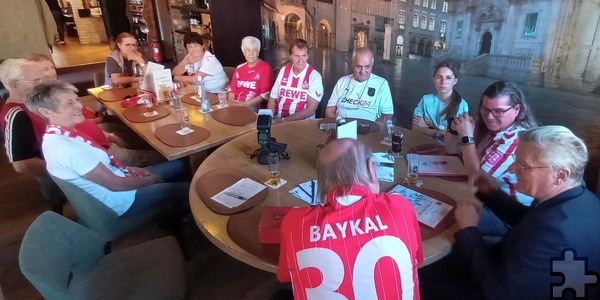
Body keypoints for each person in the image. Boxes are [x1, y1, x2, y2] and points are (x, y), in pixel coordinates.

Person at [454, 126, 600, 299]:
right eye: (516, 160)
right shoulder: (581, 198)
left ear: (559, 175)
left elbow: (499, 292)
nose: (512, 169)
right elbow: (530, 221)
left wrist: (469, 231)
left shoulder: (556, 233)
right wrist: (491, 194)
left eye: (524, 165)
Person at [277, 139, 423, 299]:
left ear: (323, 183)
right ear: (370, 168)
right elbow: (417, 260)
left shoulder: (295, 223)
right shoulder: (400, 207)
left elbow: (284, 276)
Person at [26, 81, 190, 218]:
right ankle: (180, 217)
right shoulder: (65, 148)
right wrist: (153, 179)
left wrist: (134, 170)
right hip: (124, 201)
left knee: (183, 164)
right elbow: (116, 185)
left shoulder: (62, 134)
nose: (79, 106)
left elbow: (109, 167)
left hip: (123, 178)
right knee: (192, 187)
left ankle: (177, 211)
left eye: (76, 100)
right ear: (46, 112)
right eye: (70, 103)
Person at [445, 81, 537, 236]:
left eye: (498, 111)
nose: (489, 116)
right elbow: (451, 149)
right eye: (485, 109)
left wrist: (467, 136)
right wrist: (454, 130)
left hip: (506, 214)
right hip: (483, 198)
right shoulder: (488, 126)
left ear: (516, 110)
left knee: (445, 216)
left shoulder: (514, 139)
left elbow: (476, 178)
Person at [0, 58, 65, 213]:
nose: (43, 84)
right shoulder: (17, 115)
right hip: (61, 170)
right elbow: (21, 164)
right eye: (36, 81)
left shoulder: (31, 104)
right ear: (14, 85)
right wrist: (64, 171)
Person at [325, 47, 393, 123]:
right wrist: (338, 125)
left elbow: (387, 116)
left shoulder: (381, 84)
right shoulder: (342, 81)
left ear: (372, 65)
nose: (363, 71)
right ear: (353, 64)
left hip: (369, 130)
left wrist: (373, 129)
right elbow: (329, 110)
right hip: (341, 128)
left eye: (367, 67)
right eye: (359, 66)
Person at [268, 39, 324, 124]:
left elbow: (311, 110)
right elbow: (272, 98)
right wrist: (270, 119)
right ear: (290, 56)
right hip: (278, 118)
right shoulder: (284, 70)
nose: (300, 60)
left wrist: (282, 121)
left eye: (304, 56)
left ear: (308, 56)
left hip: (301, 122)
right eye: (297, 56)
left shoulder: (314, 76)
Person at [412, 60, 468, 139]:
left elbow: (458, 137)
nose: (443, 82)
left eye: (448, 78)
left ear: (455, 81)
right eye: (439, 77)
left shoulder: (461, 105)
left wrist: (430, 125)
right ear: (434, 79)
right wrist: (442, 132)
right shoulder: (426, 100)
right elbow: (415, 129)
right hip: (425, 144)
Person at [227, 36, 273, 111]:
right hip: (236, 105)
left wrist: (245, 104)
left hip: (253, 107)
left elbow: (265, 95)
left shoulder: (266, 68)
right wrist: (231, 102)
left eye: (254, 50)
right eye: (247, 50)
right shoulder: (239, 68)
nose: (251, 54)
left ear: (258, 52)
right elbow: (232, 90)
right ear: (243, 52)